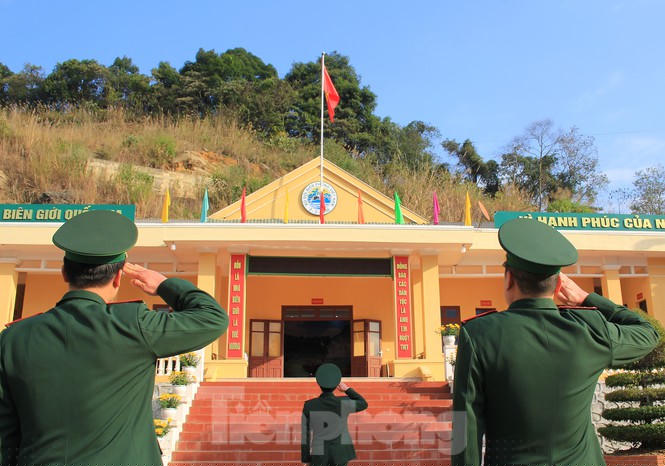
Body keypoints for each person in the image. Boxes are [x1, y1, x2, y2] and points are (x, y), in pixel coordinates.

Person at [0, 210, 229, 465]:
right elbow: (213, 318)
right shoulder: (133, 326)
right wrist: (164, 285)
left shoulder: (12, 339)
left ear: (64, 272)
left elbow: (5, 435)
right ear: (119, 277)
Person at [452, 218, 659, 466]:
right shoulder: (590, 330)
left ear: (509, 279)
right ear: (559, 284)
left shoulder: (479, 334)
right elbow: (648, 332)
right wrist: (586, 298)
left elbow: (464, 425)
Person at [301, 363, 368, 466]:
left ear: (319, 384)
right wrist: (347, 389)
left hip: (319, 453)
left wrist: (306, 458)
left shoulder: (309, 405)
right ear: (336, 384)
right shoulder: (343, 403)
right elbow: (363, 403)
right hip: (340, 452)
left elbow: (305, 435)